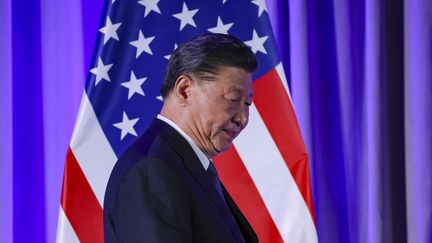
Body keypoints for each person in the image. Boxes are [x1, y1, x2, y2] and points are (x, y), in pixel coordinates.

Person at [103, 33, 258, 243]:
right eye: (233, 99)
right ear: (185, 90)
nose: (242, 118)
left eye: (247, 104)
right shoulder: (152, 171)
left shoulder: (187, 166)